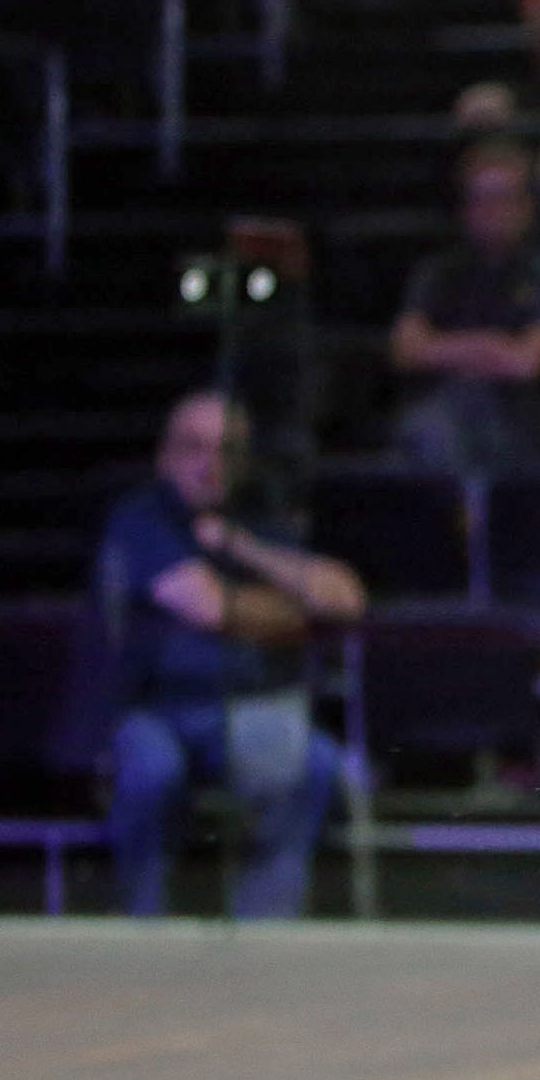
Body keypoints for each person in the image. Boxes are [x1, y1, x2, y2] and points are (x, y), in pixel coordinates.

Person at [98, 390, 364, 919]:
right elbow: (207, 606)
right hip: (153, 710)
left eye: (226, 450)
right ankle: (142, 928)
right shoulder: (141, 519)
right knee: (152, 770)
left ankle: (265, 930)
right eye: (193, 447)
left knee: (312, 764)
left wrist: (241, 546)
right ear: (165, 456)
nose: (210, 463)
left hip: (248, 710)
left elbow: (344, 598)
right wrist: (291, 611)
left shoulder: (256, 523)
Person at [389, 138, 540, 471]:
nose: (491, 211)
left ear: (527, 206)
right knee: (425, 431)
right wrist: (493, 346)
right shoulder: (435, 273)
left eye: (503, 198)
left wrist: (443, 349)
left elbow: (527, 362)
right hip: (442, 404)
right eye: (480, 199)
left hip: (518, 416)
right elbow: (406, 351)